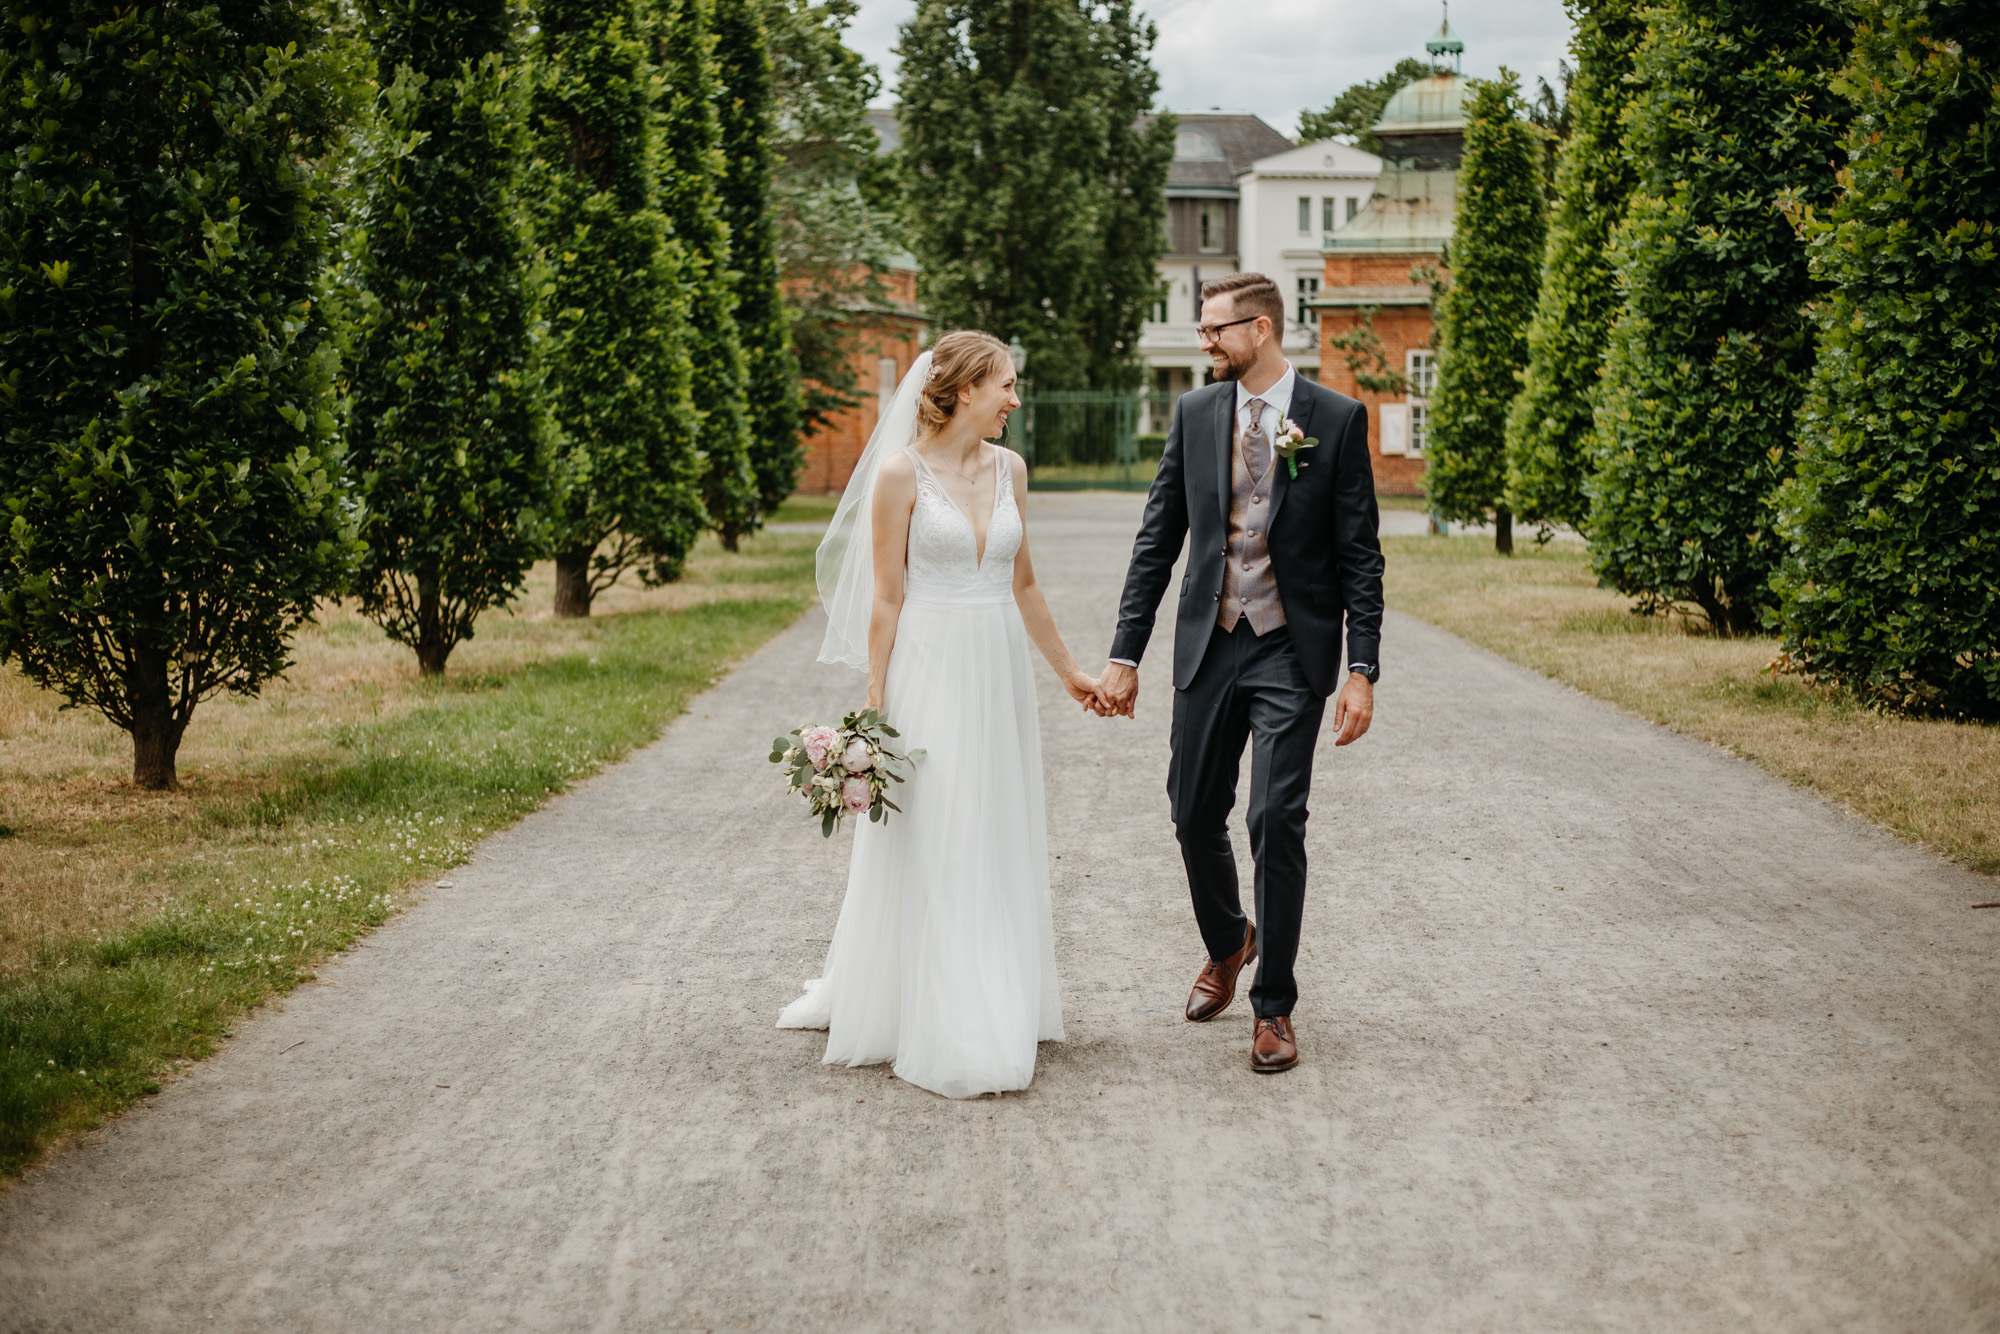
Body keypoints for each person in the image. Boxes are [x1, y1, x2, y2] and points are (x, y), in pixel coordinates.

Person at [778, 331, 1103, 1098]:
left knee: (993, 820)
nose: (1016, 398)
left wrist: (1069, 673)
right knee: (943, 824)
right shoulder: (901, 473)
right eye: (1007, 385)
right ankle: (945, 1010)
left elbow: (1024, 584)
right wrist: (875, 699)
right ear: (964, 390)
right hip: (931, 664)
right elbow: (887, 596)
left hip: (998, 664)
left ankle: (999, 986)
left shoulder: (1011, 470)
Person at [1097, 272, 1385, 1074]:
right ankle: (1230, 941)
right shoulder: (1195, 414)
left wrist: (1361, 668)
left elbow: (1360, 554)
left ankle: (1273, 1007)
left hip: (1291, 648)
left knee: (1275, 818)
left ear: (1259, 329)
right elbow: (1158, 538)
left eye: (1214, 330)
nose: (1204, 342)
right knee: (1192, 812)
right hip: (1210, 640)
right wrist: (1125, 654)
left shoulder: (1335, 418)